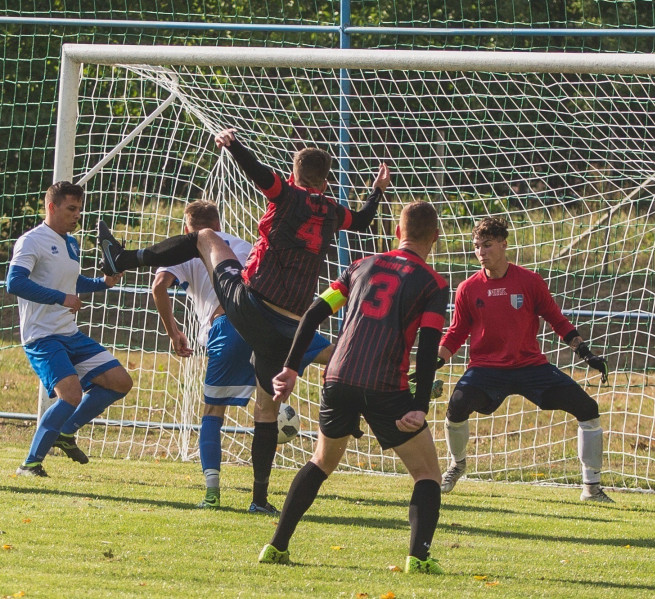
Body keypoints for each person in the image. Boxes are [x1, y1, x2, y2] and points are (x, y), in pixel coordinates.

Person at [98, 128, 389, 515]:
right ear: (326, 180)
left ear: (293, 174)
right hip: (289, 329)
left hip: (252, 305)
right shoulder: (334, 211)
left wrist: (232, 144)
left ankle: (123, 260)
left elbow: (256, 172)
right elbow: (365, 219)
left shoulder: (286, 194)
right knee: (266, 412)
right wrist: (377, 189)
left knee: (205, 237)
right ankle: (259, 499)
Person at [258, 201, 449, 574]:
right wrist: (419, 405)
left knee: (321, 461)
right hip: (386, 386)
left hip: (339, 377)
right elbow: (427, 349)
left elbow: (313, 313)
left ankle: (276, 547)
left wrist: (291, 369)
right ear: (436, 239)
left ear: (397, 232)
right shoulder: (433, 283)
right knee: (427, 474)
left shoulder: (361, 265)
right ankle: (418, 558)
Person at [150, 200, 334, 509]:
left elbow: (159, 287)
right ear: (219, 224)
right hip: (268, 324)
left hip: (228, 326)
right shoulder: (244, 245)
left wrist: (174, 332)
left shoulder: (187, 247)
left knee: (213, 413)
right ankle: (392, 365)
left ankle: (212, 493)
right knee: (325, 356)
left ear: (187, 229)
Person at [437, 216, 613, 502]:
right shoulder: (468, 289)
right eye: (477, 246)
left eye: (488, 245)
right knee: (456, 406)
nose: (482, 252)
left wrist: (585, 353)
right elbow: (456, 332)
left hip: (530, 366)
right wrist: (436, 362)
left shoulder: (529, 281)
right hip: (486, 369)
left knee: (588, 408)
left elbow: (556, 319)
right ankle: (457, 465)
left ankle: (591, 488)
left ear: (504, 245)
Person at [7, 181, 133, 477]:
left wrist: (104, 283)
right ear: (52, 207)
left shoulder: (71, 243)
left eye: (80, 209)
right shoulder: (31, 241)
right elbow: (14, 282)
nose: (77, 215)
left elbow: (71, 282)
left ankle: (65, 431)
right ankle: (30, 464)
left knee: (120, 382)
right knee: (71, 395)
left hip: (69, 333)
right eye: (71, 208)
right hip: (42, 336)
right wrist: (59, 298)